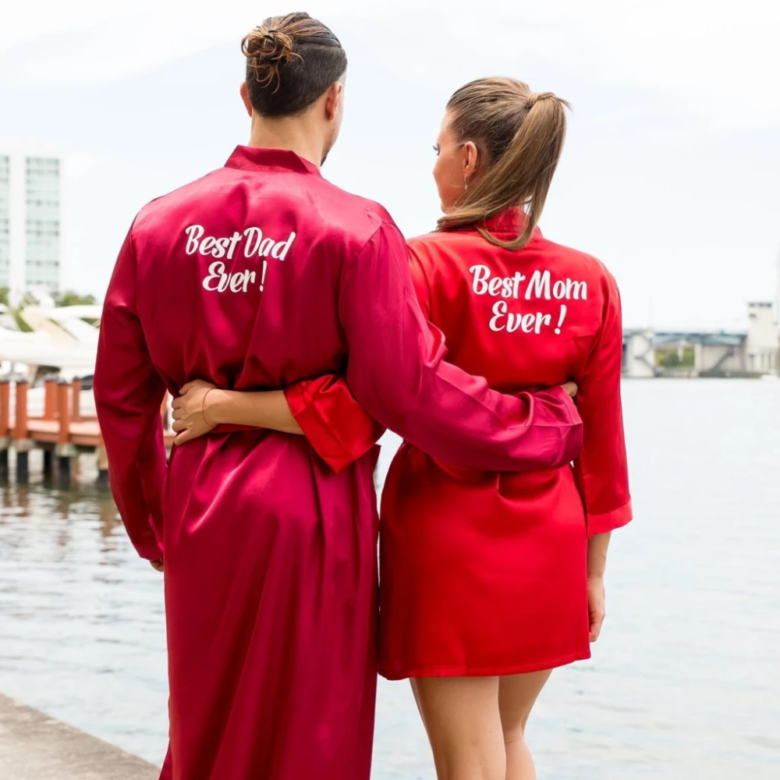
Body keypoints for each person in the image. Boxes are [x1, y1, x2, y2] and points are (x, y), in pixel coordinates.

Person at [93, 14, 583, 780]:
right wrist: (541, 426)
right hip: (312, 505)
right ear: (333, 101)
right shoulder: (357, 228)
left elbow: (121, 399)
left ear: (247, 97)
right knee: (309, 734)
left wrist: (155, 526)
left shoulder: (157, 226)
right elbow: (409, 390)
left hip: (199, 504)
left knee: (203, 724)